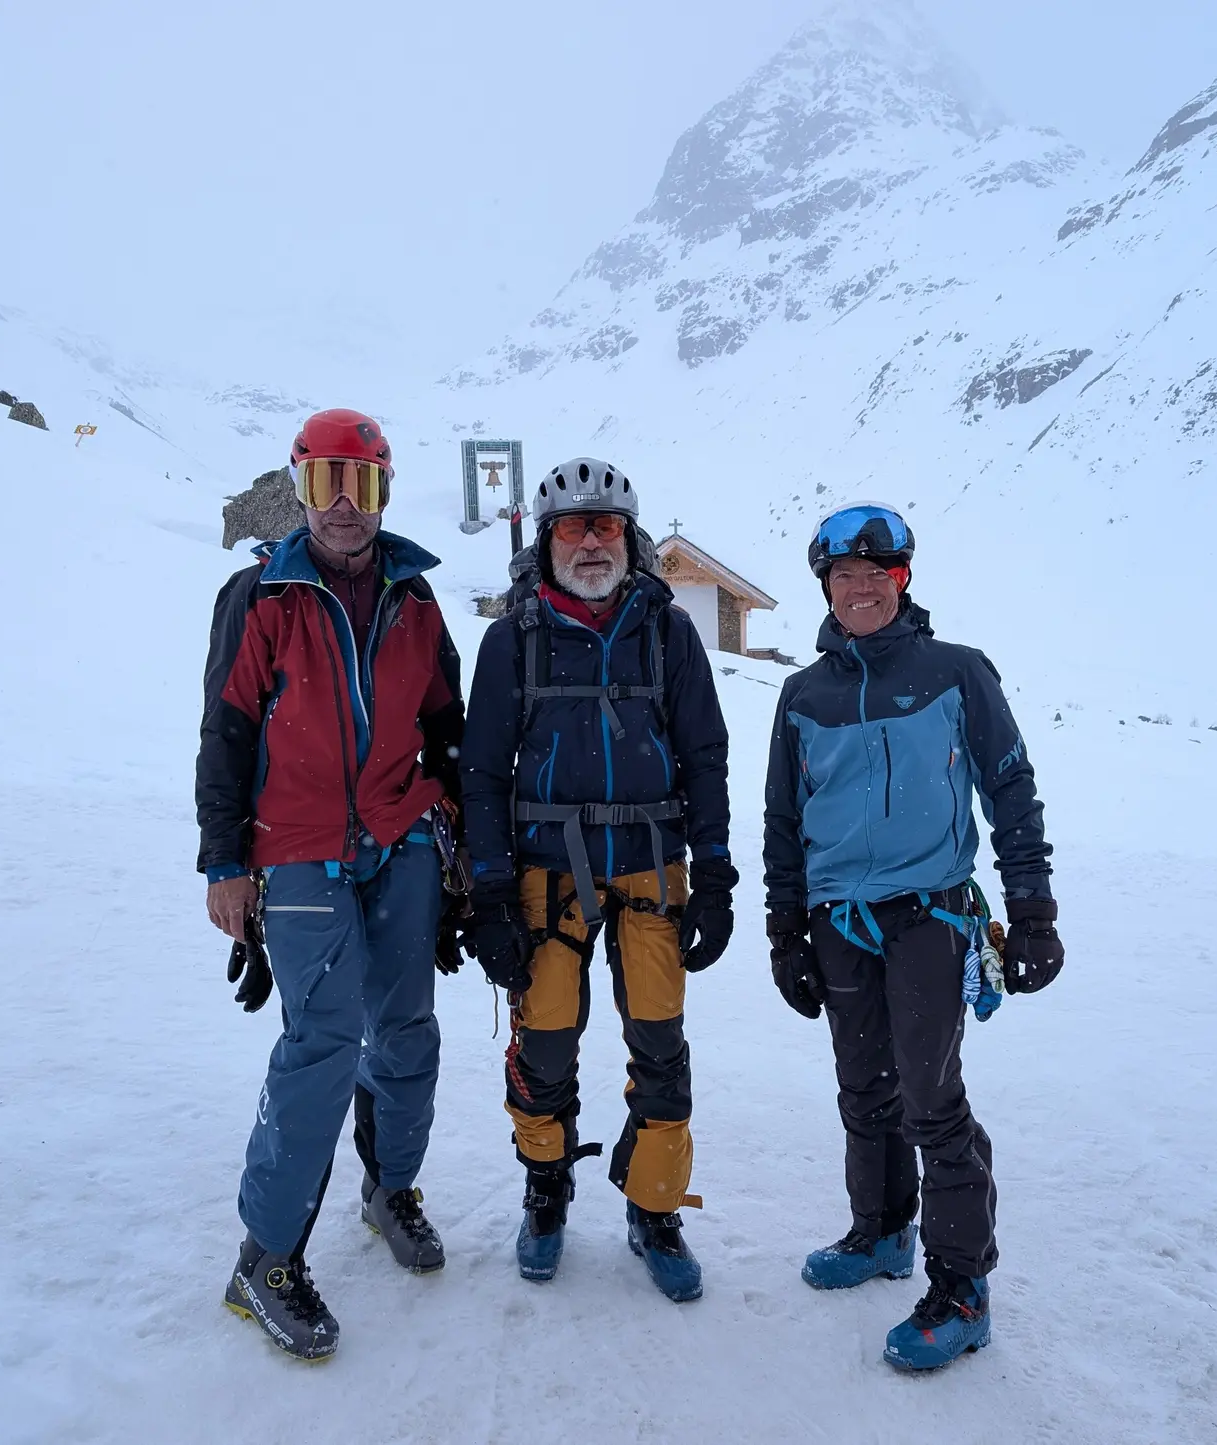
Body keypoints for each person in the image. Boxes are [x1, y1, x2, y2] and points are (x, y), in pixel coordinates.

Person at [761, 502, 1065, 1372]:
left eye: (876, 575)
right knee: (864, 1089)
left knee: (932, 1100)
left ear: (902, 581)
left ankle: (962, 1287)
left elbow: (1011, 790)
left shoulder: (956, 673)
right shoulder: (802, 694)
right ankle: (883, 1231)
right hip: (837, 922)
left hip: (930, 916)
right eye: (844, 576)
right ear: (826, 586)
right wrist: (786, 929)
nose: (860, 589)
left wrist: (1033, 908)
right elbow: (784, 819)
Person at [196, 407, 466, 1361]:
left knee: (408, 1032)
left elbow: (450, 729)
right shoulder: (262, 595)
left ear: (385, 489)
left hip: (401, 842)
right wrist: (226, 863)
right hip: (299, 847)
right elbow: (225, 734)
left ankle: (391, 1186)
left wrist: (459, 854)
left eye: (361, 483)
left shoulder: (417, 600)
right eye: (324, 484)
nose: (343, 505)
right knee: (321, 1039)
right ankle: (265, 1257)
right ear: (300, 488)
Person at [459, 457, 736, 1302]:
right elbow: (480, 772)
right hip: (548, 873)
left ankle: (654, 1208)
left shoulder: (668, 631)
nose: (590, 543)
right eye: (573, 528)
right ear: (545, 543)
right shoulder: (513, 639)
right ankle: (547, 1188)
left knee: (660, 1043)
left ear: (631, 539)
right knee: (543, 1044)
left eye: (605, 527)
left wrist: (717, 873)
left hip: (653, 867)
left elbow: (705, 756)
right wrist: (491, 891)